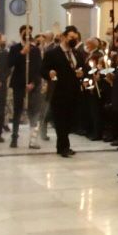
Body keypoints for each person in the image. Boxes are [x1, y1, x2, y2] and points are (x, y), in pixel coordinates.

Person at [43, 25, 83, 156]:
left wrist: (82, 73)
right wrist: (50, 72)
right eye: (71, 37)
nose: (73, 40)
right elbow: (42, 70)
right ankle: (63, 147)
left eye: (75, 38)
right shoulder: (52, 53)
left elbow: (84, 67)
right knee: (60, 121)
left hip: (74, 92)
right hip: (58, 92)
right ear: (64, 37)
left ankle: (64, 146)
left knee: (69, 120)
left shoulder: (76, 53)